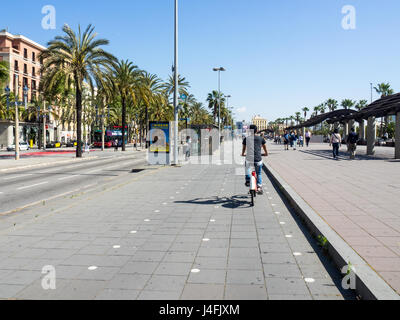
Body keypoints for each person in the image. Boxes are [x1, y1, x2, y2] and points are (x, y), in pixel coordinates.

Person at [242, 125, 268, 194]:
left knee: (247, 166)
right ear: (256, 131)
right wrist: (266, 153)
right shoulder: (261, 138)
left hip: (249, 159)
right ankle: (259, 187)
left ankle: (248, 180)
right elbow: (264, 147)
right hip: (258, 159)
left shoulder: (246, 138)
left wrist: (242, 153)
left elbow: (244, 148)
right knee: (258, 173)